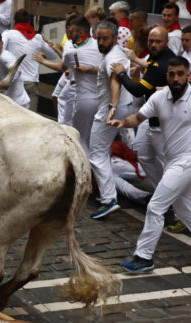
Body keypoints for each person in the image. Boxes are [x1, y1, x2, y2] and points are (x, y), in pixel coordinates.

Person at [109, 57, 191, 272]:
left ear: (188, 75)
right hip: (173, 160)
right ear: (167, 76)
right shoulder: (159, 97)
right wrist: (122, 122)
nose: (175, 78)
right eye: (171, 74)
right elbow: (138, 117)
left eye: (180, 74)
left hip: (187, 161)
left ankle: (143, 257)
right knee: (184, 210)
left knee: (156, 206)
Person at [112, 25, 175, 190]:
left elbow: (138, 90)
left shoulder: (159, 65)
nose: (153, 45)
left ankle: (175, 203)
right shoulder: (162, 57)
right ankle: (162, 191)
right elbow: (151, 66)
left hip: (163, 125)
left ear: (166, 42)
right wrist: (141, 65)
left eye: (158, 42)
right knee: (145, 155)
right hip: (153, 119)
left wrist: (121, 74)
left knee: (171, 168)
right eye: (151, 41)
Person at [35, 16, 100, 155]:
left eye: (72, 30)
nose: (69, 33)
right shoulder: (99, 45)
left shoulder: (71, 49)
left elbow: (61, 66)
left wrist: (43, 61)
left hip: (83, 99)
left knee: (79, 138)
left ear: (81, 32)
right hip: (101, 99)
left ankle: (83, 170)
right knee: (91, 138)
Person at [88, 20, 133, 220]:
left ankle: (109, 200)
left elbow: (116, 80)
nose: (101, 42)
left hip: (111, 111)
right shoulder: (118, 51)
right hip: (124, 107)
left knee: (96, 154)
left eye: (105, 38)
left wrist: (112, 107)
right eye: (99, 38)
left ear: (114, 38)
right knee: (135, 148)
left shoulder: (112, 57)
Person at [3, 8, 57, 112]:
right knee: (31, 121)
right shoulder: (38, 38)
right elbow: (53, 55)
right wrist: (43, 53)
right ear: (28, 21)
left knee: (11, 117)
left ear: (15, 21)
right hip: (30, 84)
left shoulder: (8, 34)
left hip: (13, 82)